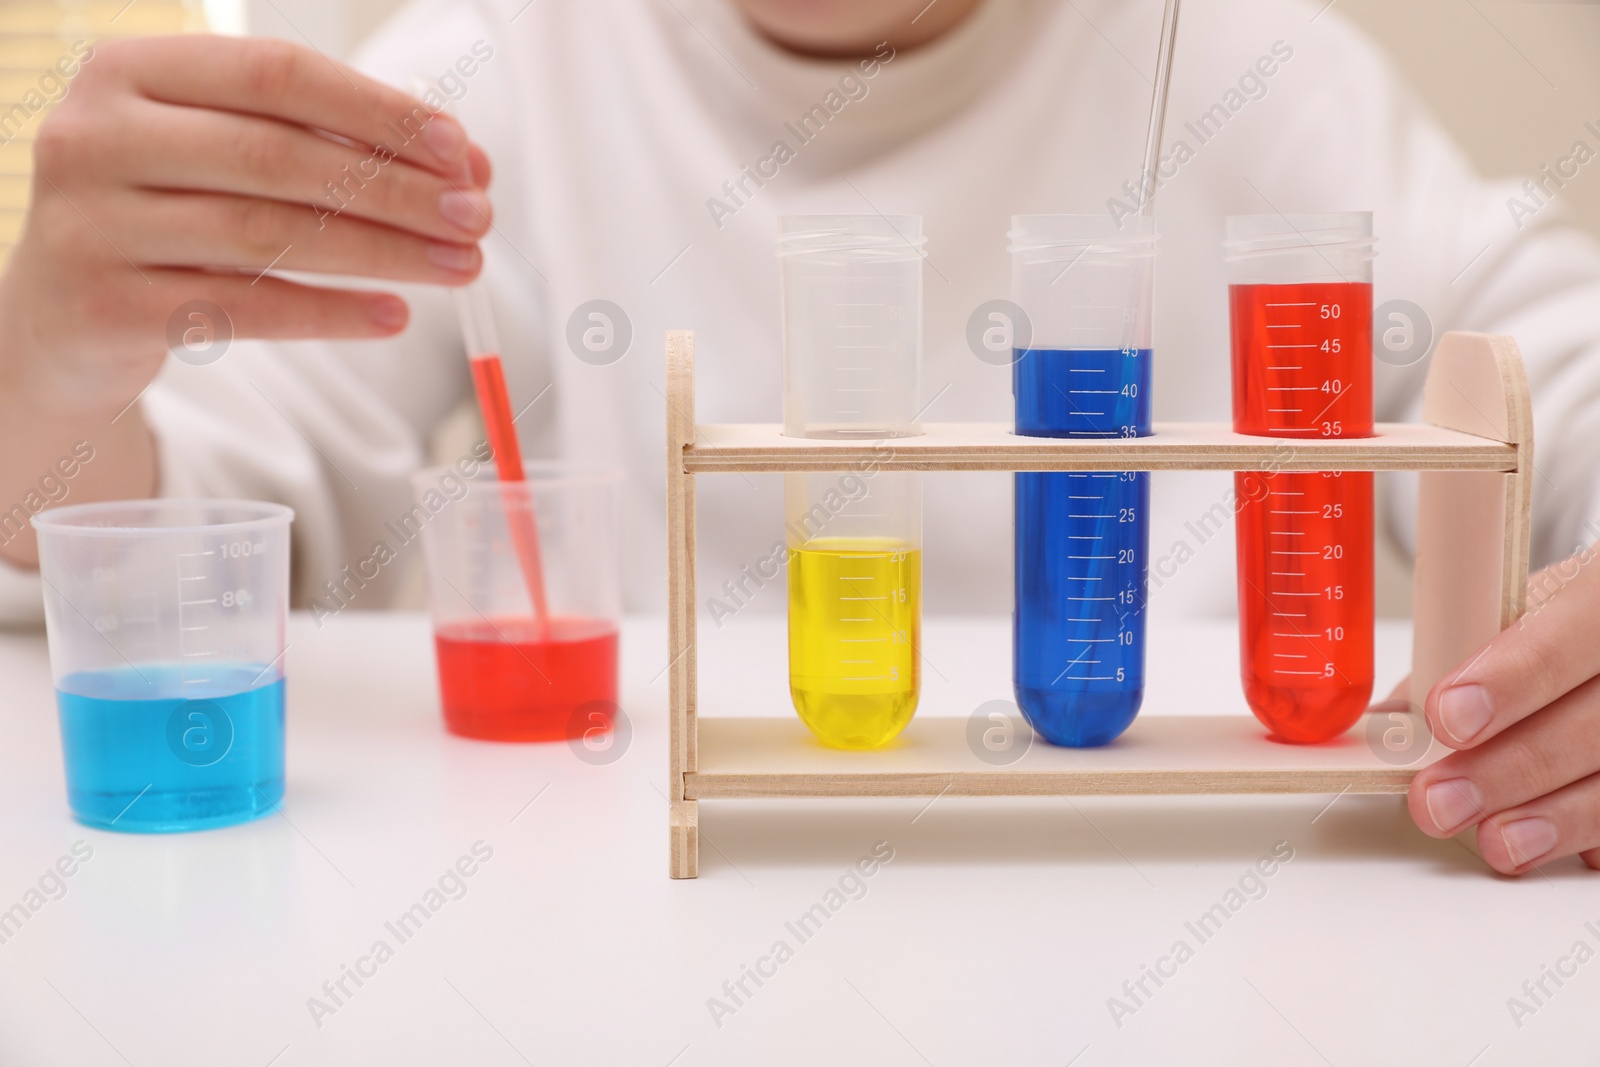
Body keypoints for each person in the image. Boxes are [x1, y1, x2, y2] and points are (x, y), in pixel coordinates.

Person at [0, 0, 1597, 874]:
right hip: (624, 933)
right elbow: (186, 509)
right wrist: (43, 381)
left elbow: (1560, 369)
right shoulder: (479, 73)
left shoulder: (1253, 58)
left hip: (1212, 899)